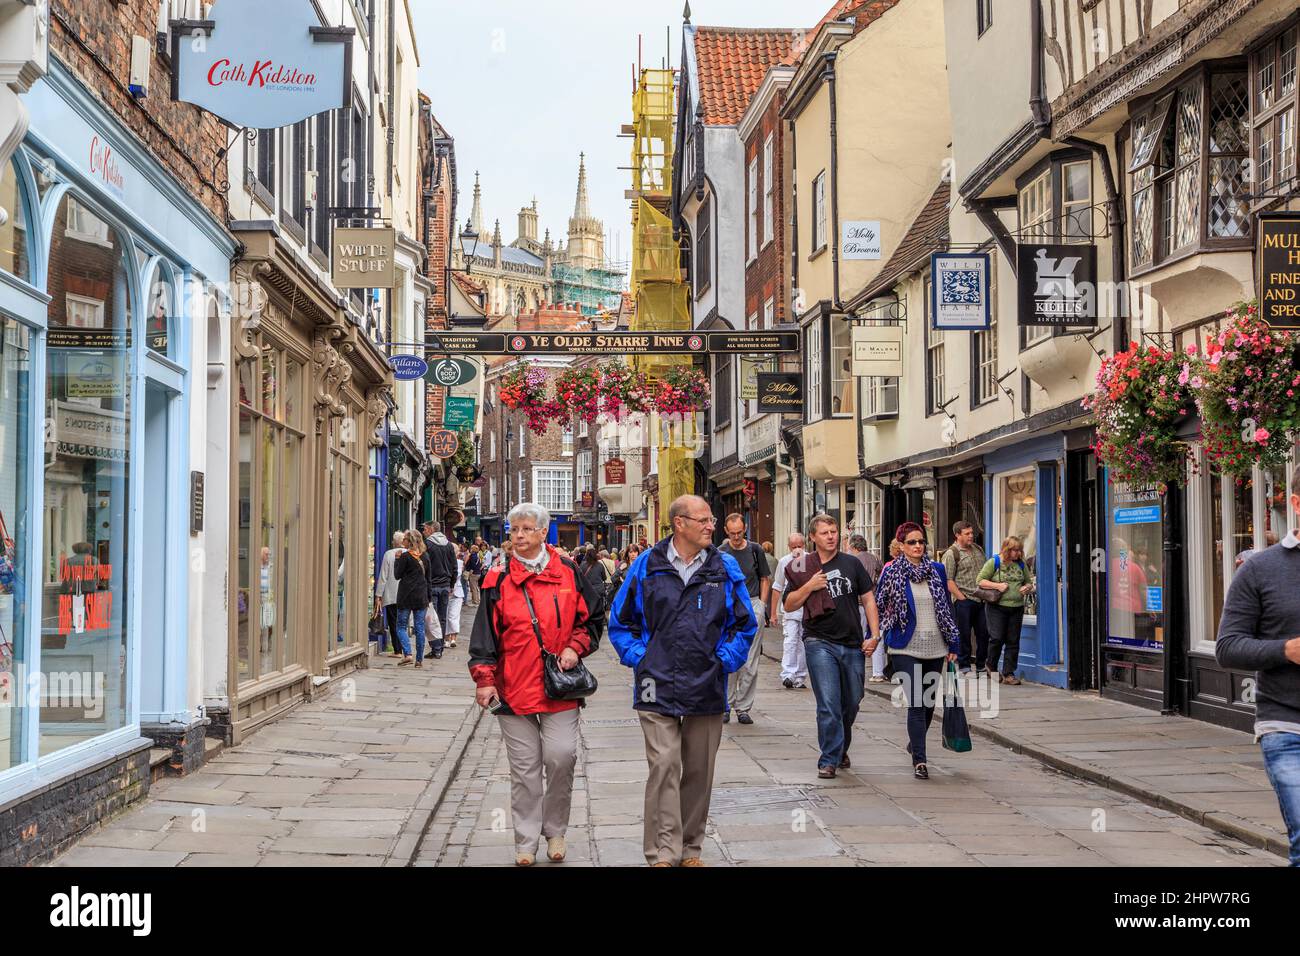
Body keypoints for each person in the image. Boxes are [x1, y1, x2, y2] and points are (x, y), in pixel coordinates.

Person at [608, 494, 756, 867]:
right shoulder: (647, 565)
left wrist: (724, 660)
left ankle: (691, 848)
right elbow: (620, 622)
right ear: (679, 523)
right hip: (654, 683)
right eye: (704, 520)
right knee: (664, 765)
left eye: (712, 520)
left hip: (706, 681)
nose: (712, 526)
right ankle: (662, 851)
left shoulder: (724, 569)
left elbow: (745, 624)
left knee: (700, 770)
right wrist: (642, 658)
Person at [469, 503, 605, 866]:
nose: (519, 536)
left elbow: (592, 620)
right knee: (525, 768)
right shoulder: (497, 580)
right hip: (513, 688)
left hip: (559, 686)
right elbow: (484, 638)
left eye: (527, 529)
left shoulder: (569, 572)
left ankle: (556, 830)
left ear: (545, 533)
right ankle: (526, 841)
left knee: (561, 756)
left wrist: (575, 648)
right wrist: (485, 681)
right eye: (514, 530)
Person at [1216, 471, 1300, 867]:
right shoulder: (1261, 569)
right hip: (1287, 725)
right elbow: (1228, 647)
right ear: (1297, 505)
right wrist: (1285, 650)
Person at [783, 514, 879, 778]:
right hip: (818, 641)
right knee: (828, 702)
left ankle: (839, 747)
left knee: (853, 701)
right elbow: (789, 604)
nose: (831, 536)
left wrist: (875, 634)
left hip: (852, 642)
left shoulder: (852, 564)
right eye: (824, 532)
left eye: (834, 531)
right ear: (812, 537)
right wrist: (810, 587)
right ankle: (828, 758)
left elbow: (869, 599)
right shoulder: (802, 567)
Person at [874, 522, 960, 780]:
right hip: (904, 646)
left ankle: (916, 740)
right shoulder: (891, 573)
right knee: (916, 702)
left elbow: (946, 607)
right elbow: (878, 606)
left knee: (929, 704)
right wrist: (875, 636)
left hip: (935, 646)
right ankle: (920, 761)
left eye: (921, 541)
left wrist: (954, 643)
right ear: (901, 546)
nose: (918, 546)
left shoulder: (937, 570)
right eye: (912, 542)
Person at [719, 513, 771, 725]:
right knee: (729, 656)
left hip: (752, 603)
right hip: (730, 607)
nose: (737, 537)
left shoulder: (755, 549)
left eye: (740, 532)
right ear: (726, 531)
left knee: (750, 659)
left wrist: (763, 606)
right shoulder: (721, 552)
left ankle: (743, 707)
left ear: (745, 529)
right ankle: (726, 705)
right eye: (732, 533)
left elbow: (764, 578)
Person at [977, 536, 1034, 684]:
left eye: (1019, 550)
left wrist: (1026, 587)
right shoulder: (994, 562)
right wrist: (998, 586)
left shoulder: (1021, 564)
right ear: (1006, 549)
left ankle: (1009, 673)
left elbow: (1029, 582)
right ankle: (991, 666)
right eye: (1014, 550)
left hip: (1017, 607)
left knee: (1013, 641)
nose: (1017, 553)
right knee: (996, 637)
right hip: (997, 607)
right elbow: (980, 581)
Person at [943, 521, 990, 675]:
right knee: (964, 634)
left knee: (983, 634)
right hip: (964, 600)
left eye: (971, 533)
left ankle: (981, 665)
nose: (971, 536)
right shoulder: (951, 553)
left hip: (981, 598)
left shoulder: (978, 549)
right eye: (967, 533)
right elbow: (948, 580)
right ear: (957, 535)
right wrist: (961, 598)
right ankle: (964, 665)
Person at [769, 533, 809, 689]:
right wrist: (773, 613)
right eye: (794, 547)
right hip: (790, 609)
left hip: (806, 610)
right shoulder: (784, 562)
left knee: (804, 644)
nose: (797, 549)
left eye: (800, 546)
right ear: (789, 547)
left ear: (804, 545)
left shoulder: (811, 560)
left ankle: (800, 676)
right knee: (790, 641)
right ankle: (788, 674)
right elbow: (777, 587)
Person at [847, 534, 888, 683]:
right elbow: (882, 576)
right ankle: (878, 672)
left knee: (858, 636)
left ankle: (856, 671)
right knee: (875, 636)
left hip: (858, 603)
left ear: (854, 547)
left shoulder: (853, 561)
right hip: (875, 601)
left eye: (850, 547)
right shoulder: (875, 558)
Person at [393, 531, 430, 668]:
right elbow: (428, 579)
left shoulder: (404, 556)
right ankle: (419, 660)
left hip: (406, 596)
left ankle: (408, 654)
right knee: (419, 628)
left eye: (405, 539)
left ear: (410, 541)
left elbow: (397, 575)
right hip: (421, 596)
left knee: (401, 626)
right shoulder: (425, 556)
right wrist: (428, 598)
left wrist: (397, 560)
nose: (403, 541)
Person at [423, 521, 456, 659]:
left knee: (432, 618)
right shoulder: (448, 545)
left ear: (431, 529)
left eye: (425, 529)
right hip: (445, 586)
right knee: (442, 618)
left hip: (432, 586)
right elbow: (454, 566)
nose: (424, 531)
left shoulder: (428, 544)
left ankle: (436, 648)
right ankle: (440, 647)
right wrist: (452, 584)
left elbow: (425, 566)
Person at [375, 532, 405, 656]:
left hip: (392, 594)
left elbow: (383, 576)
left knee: (393, 622)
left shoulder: (388, 554)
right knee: (403, 622)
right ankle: (404, 649)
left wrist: (378, 595)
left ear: (395, 542)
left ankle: (397, 650)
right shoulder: (409, 553)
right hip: (406, 594)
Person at [444, 544, 467, 649]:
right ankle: (446, 639)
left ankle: (453, 639)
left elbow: (456, 575)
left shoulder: (459, 563)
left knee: (453, 616)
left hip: (457, 592)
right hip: (446, 591)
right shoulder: (444, 561)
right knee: (445, 616)